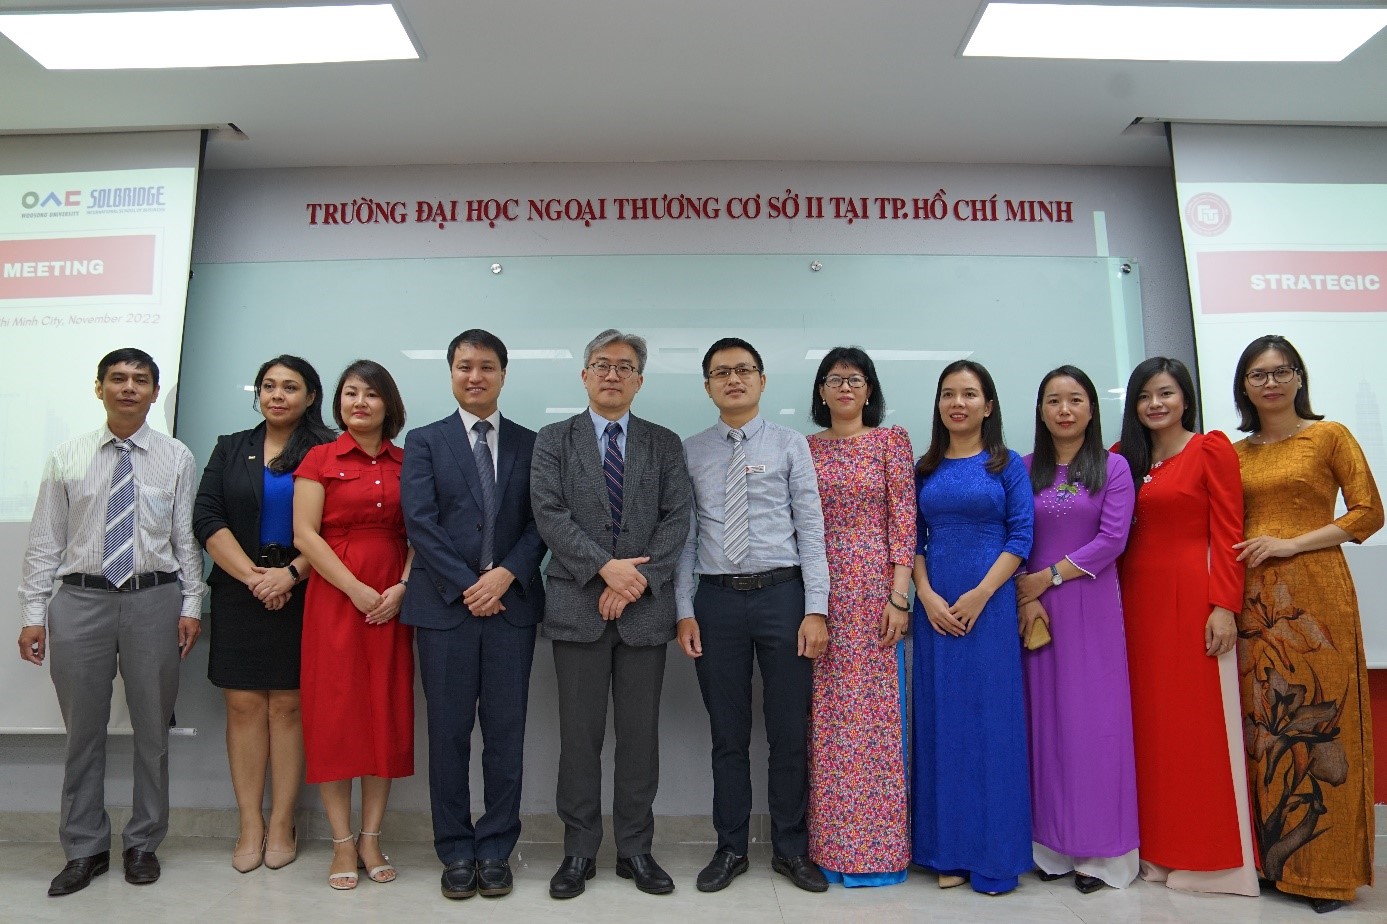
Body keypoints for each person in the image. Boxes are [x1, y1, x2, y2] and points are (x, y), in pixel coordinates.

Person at [18, 347, 207, 896]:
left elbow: (185, 539)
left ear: (154, 392)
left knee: (152, 730)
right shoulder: (67, 456)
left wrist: (191, 605)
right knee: (83, 734)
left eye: (140, 380)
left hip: (154, 600)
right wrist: (33, 614)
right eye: (118, 378)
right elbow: (45, 542)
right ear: (98, 387)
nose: (128, 387)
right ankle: (84, 848)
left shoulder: (176, 456)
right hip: (80, 602)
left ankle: (144, 842)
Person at [530, 329, 692, 899]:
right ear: (584, 375)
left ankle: (635, 850)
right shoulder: (554, 439)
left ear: (639, 380)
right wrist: (605, 569)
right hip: (577, 607)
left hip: (644, 612)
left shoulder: (664, 443)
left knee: (639, 739)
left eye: (625, 367)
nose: (612, 375)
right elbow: (548, 512)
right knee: (579, 738)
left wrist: (632, 583)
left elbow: (677, 520)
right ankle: (578, 851)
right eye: (602, 364)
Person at [1230, 335, 1382, 914]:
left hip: (1318, 595)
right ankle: (1271, 864)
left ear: (1299, 377)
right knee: (1262, 730)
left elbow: (1369, 513)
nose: (1269, 383)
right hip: (1254, 606)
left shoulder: (1330, 435)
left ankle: (1326, 874)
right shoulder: (1235, 453)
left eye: (1280, 371)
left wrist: (1291, 543)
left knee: (1325, 723)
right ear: (1244, 387)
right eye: (1257, 375)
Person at [676, 337, 831, 895]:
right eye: (721, 373)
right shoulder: (691, 451)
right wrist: (684, 610)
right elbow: (686, 538)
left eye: (743, 370)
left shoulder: (791, 444)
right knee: (728, 735)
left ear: (762, 380)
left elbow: (811, 529)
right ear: (708, 387)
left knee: (789, 733)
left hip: (782, 598)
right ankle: (731, 848)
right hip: (716, 602)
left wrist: (816, 609)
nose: (733, 379)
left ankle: (791, 849)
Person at [401, 329, 546, 901]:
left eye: (487, 366)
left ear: (503, 374)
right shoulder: (425, 441)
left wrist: (504, 575)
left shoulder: (532, 443)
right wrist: (470, 585)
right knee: (449, 735)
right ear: (451, 373)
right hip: (446, 610)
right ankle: (456, 849)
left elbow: (542, 521)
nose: (475, 376)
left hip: (511, 608)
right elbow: (420, 522)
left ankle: (496, 849)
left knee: (506, 735)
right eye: (464, 366)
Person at [1114, 357, 1258, 896]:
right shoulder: (1123, 458)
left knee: (1196, 729)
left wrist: (1224, 605)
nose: (1155, 404)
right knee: (1150, 730)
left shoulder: (1209, 448)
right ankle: (1157, 851)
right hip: (1133, 604)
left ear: (1185, 399)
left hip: (1193, 600)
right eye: (1145, 395)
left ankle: (1211, 860)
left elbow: (1230, 531)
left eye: (1166, 393)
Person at [193, 354, 333, 873]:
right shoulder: (231, 447)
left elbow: (338, 529)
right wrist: (255, 578)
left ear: (310, 396)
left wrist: (289, 575)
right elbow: (207, 517)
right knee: (244, 705)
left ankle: (283, 821)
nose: (277, 395)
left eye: (290, 387)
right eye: (268, 386)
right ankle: (250, 823)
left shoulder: (328, 449)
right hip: (240, 590)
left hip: (307, 589)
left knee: (289, 708)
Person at [910, 359, 1032, 895]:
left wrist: (982, 594)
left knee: (991, 725)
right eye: (947, 394)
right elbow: (911, 539)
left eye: (969, 393)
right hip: (935, 610)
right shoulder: (925, 467)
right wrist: (926, 595)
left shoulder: (1007, 464)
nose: (957, 403)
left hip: (990, 608)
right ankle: (947, 852)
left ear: (988, 405)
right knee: (942, 724)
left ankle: (993, 853)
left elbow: (1021, 536)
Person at [1014, 365, 1138, 893]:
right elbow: (1014, 535)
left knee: (1093, 727)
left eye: (1075, 400)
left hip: (1090, 608)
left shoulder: (1113, 467)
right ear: (1040, 411)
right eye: (1053, 401)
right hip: (1033, 614)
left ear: (1091, 408)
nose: (1064, 410)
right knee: (1044, 727)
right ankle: (1051, 847)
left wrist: (1046, 578)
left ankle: (1101, 855)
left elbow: (1112, 540)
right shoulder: (1023, 468)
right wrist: (1025, 592)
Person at [293, 359, 414, 891]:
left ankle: (371, 837)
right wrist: (355, 588)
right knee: (337, 715)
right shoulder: (319, 458)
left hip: (394, 598)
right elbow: (305, 535)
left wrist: (402, 586)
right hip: (336, 598)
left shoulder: (409, 461)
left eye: (370, 394)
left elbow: (420, 532)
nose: (359, 403)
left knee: (385, 712)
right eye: (349, 393)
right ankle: (341, 841)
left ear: (389, 404)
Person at [802, 347, 912, 887]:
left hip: (875, 596)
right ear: (821, 392)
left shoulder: (891, 442)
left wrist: (899, 596)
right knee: (828, 721)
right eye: (834, 379)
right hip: (820, 594)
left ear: (870, 390)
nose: (845, 387)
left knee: (875, 723)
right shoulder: (805, 449)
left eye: (855, 378)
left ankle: (880, 852)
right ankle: (831, 848)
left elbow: (904, 520)